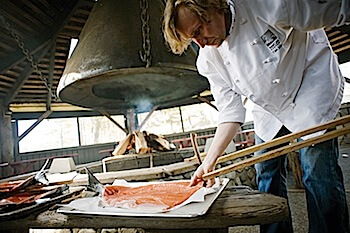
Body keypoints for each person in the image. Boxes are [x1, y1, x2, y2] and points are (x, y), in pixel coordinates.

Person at [162, 0, 350, 233]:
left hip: (309, 83)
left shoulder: (266, 5)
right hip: (269, 105)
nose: (201, 42)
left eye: (200, 29)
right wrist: (208, 163)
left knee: (316, 171)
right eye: (193, 38)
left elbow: (339, 10)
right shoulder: (209, 59)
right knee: (266, 171)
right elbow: (230, 113)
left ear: (215, 6)